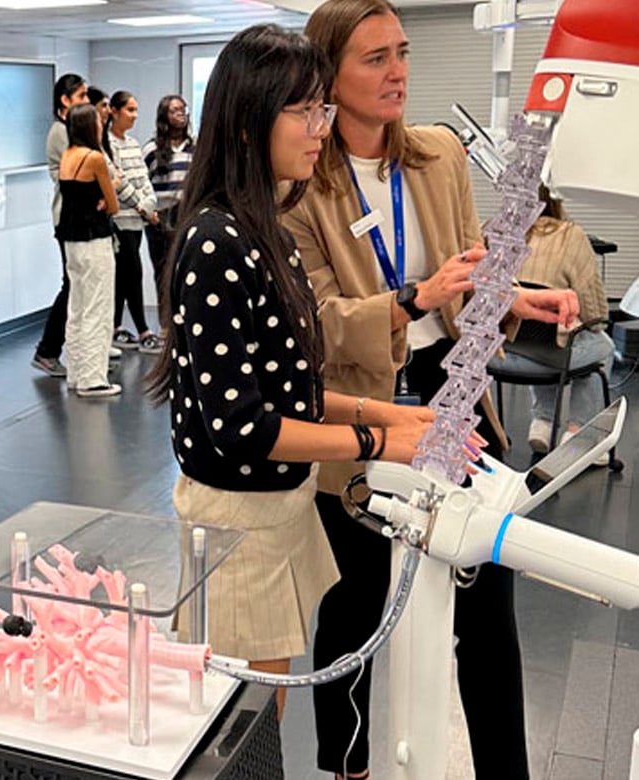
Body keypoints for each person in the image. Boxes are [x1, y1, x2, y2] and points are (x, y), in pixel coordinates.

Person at [281, 2, 579, 777]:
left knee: (487, 606)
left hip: (451, 401)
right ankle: (347, 767)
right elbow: (316, 323)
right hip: (360, 415)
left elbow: (469, 269)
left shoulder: (439, 157)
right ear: (328, 76)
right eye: (375, 58)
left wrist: (517, 298)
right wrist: (410, 297)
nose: (398, 72)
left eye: (402, 53)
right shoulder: (301, 188)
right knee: (353, 610)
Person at [146, 23, 445, 721]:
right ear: (250, 120)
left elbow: (294, 389)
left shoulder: (268, 230)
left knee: (261, 717)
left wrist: (388, 415)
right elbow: (242, 428)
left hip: (279, 512)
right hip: (237, 526)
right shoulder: (215, 240)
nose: (320, 129)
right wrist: (377, 445)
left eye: (324, 111)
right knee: (243, 736)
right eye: (304, 112)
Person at [494, 185, 613, 456]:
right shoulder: (570, 236)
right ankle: (579, 436)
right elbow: (595, 314)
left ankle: (543, 423)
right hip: (548, 359)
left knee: (539, 335)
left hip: (496, 356)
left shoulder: (493, 231)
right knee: (600, 345)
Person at [58, 104, 120, 398]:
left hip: (71, 240)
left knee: (78, 307)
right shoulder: (95, 158)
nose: (102, 124)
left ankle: (76, 371)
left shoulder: (67, 156)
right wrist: (109, 192)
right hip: (95, 239)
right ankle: (93, 379)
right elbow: (114, 203)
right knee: (98, 306)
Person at [31, 73, 89, 378]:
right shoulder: (61, 132)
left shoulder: (72, 130)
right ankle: (47, 350)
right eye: (81, 97)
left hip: (79, 218)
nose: (86, 103)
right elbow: (82, 172)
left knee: (79, 285)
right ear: (65, 101)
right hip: (69, 218)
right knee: (72, 285)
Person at [106, 90, 160, 354]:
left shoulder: (133, 144)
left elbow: (143, 178)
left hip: (138, 219)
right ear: (114, 112)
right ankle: (143, 330)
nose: (135, 115)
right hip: (121, 218)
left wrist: (149, 205)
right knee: (133, 274)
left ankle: (115, 328)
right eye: (129, 110)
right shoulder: (107, 145)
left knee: (124, 275)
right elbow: (118, 183)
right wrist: (141, 206)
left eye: (136, 110)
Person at [141, 94, 193, 335]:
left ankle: (185, 323)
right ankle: (166, 327)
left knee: (187, 270)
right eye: (174, 110)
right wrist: (149, 213)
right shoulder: (151, 149)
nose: (181, 114)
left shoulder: (197, 146)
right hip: (160, 217)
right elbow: (142, 183)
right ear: (164, 116)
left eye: (183, 109)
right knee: (163, 272)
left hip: (187, 214)